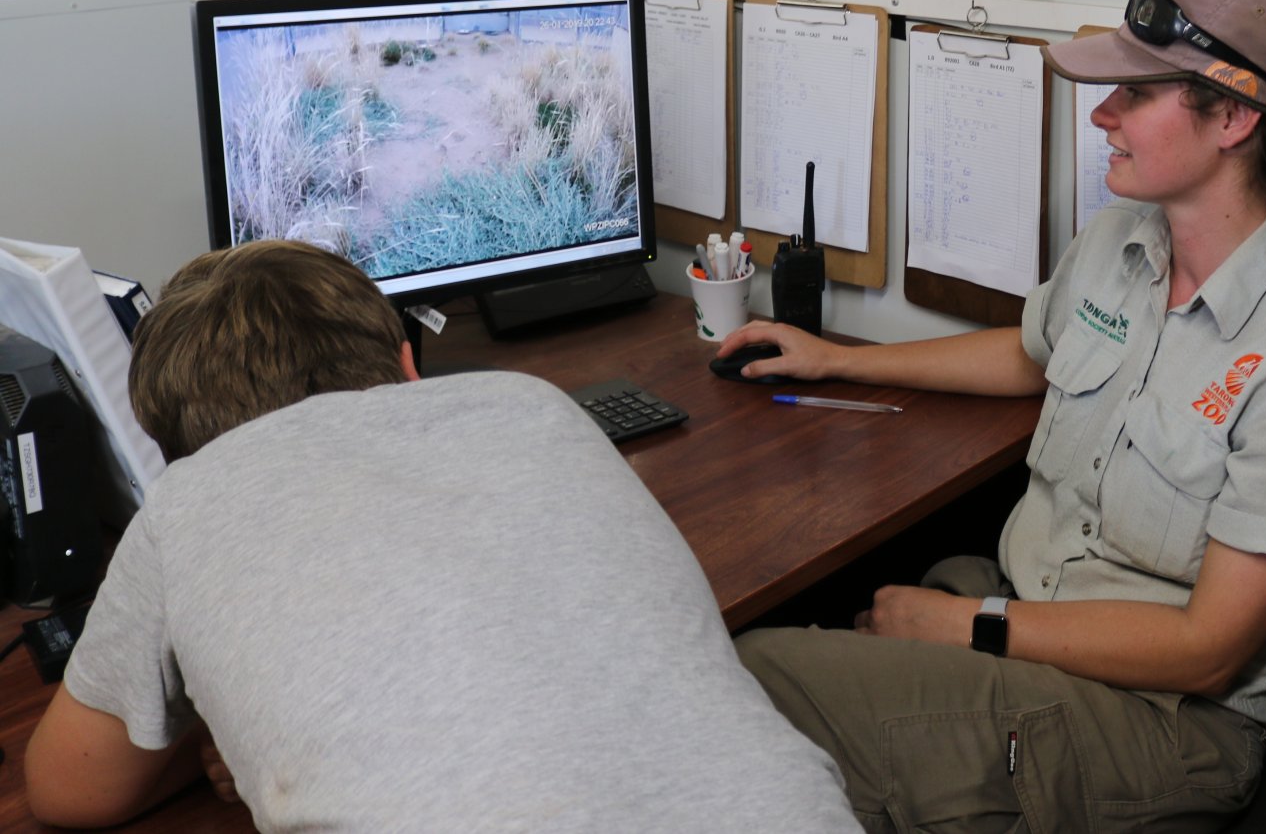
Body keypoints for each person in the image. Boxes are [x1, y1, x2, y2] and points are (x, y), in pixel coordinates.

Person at [720, 0, 1266, 833]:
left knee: (753, 674)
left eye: (1137, 92)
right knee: (815, 629)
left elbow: (1209, 650)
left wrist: (973, 626)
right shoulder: (1122, 240)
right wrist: (838, 360)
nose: (1101, 114)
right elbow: (1030, 352)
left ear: (1234, 118)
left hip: (1160, 720)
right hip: (1031, 612)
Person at [22, 240, 859, 833]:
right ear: (406, 362)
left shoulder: (184, 504)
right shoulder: (533, 403)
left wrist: (217, 720)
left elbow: (65, 790)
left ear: (172, 443)